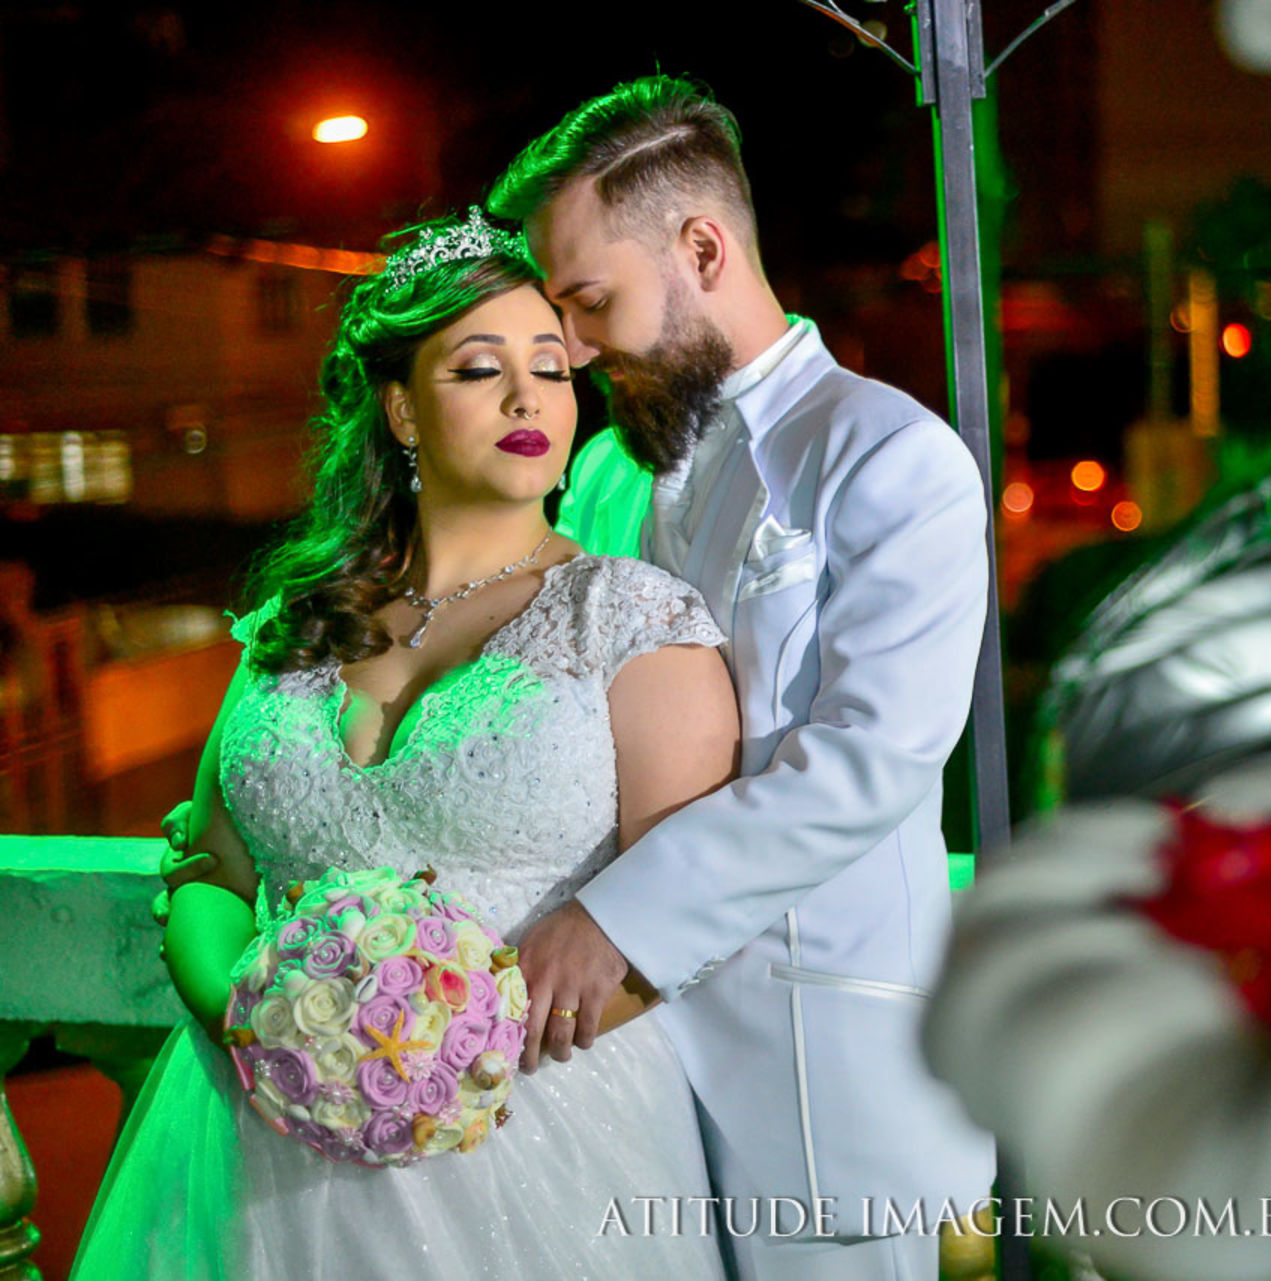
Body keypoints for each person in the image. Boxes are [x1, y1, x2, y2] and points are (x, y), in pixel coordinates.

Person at [78, 208, 739, 1280]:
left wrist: (444, 1063)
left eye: (552, 368)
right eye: (481, 370)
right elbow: (211, 867)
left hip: (539, 1139)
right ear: (400, 410)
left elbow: (692, 906)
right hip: (257, 1146)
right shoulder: (297, 620)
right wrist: (264, 1028)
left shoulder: (636, 625)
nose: (529, 397)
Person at [483, 76, 997, 1281]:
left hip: (819, 1091)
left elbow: (867, 766)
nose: (572, 345)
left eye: (590, 299)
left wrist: (613, 922)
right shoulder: (606, 473)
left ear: (703, 246)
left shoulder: (890, 456)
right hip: (612, 1089)